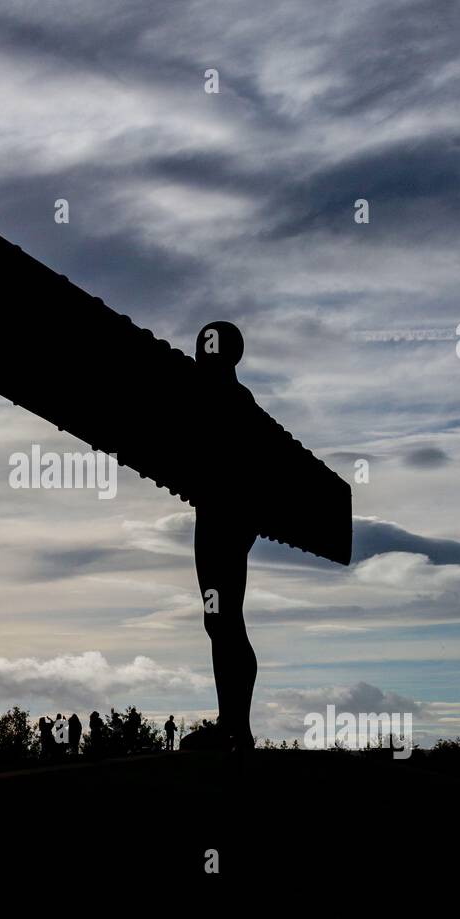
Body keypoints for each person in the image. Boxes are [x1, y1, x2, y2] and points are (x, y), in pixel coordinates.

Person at [192, 321, 258, 752]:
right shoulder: (237, 399)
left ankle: (234, 724)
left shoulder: (218, 397)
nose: (200, 352)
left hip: (222, 519)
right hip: (227, 518)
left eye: (205, 346)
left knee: (223, 620)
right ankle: (233, 722)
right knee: (223, 619)